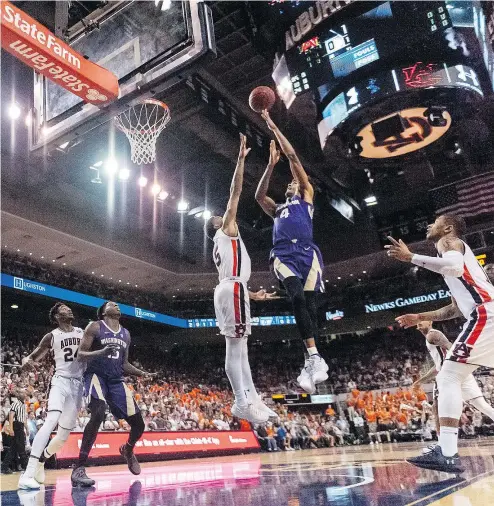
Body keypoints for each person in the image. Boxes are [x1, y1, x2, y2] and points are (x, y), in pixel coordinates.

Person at [387, 214, 494, 473]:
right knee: (449, 378)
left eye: (434, 222)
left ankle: (447, 452)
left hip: (485, 314)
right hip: (484, 313)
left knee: (447, 378)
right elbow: (455, 309)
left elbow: (454, 268)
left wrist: (410, 257)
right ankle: (446, 451)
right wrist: (421, 316)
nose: (428, 225)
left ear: (447, 228)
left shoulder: (449, 242)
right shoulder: (455, 259)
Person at [205, 134, 277, 424]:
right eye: (217, 217)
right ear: (217, 226)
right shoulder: (226, 231)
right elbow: (235, 192)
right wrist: (240, 159)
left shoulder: (219, 245)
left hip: (231, 287)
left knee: (240, 347)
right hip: (232, 288)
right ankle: (240, 401)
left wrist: (250, 294)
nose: (221, 215)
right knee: (236, 348)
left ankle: (252, 398)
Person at [255, 111, 328, 394]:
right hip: (284, 254)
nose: (291, 184)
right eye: (288, 184)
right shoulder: (277, 210)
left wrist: (272, 125)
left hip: (309, 254)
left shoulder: (306, 197)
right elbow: (259, 196)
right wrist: (270, 166)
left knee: (310, 308)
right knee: (295, 296)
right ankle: (313, 358)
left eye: (293, 183)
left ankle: (310, 361)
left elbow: (294, 158)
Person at [71, 301, 155, 487]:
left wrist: (143, 373)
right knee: (99, 412)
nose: (116, 305)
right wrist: (101, 351)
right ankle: (79, 467)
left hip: (116, 380)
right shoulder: (95, 326)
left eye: (117, 305)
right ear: (103, 311)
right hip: (96, 376)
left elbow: (124, 364)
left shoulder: (126, 334)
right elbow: (81, 354)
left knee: (139, 424)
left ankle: (128, 449)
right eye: (112, 304)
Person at [18, 302, 85, 490]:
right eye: (64, 309)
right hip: (60, 381)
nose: (69, 309)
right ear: (56, 316)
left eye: (69, 308)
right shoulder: (52, 336)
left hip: (78, 385)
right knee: (51, 420)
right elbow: (32, 358)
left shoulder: (82, 332)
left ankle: (41, 461)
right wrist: (26, 360)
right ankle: (27, 474)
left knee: (63, 437)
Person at [413, 321, 494, 454]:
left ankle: (442, 446)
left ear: (430, 322)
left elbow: (451, 348)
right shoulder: (432, 338)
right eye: (418, 325)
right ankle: (443, 445)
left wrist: (459, 361)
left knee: (437, 407)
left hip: (449, 375)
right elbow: (437, 366)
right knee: (482, 406)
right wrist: (420, 381)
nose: (419, 326)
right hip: (460, 372)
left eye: (422, 323)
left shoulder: (432, 335)